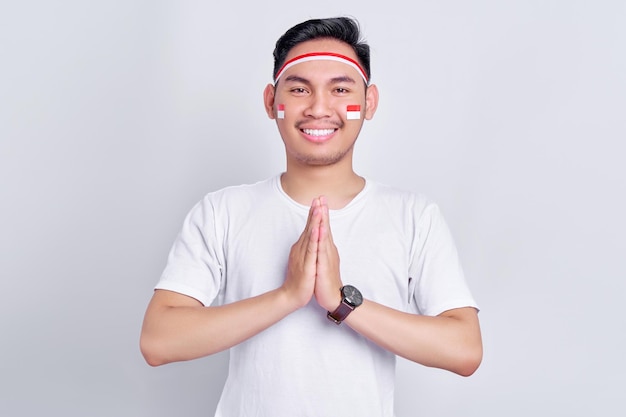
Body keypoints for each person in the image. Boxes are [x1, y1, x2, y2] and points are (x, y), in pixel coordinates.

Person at [140, 16, 482, 416]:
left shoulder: (414, 216)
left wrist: (342, 302)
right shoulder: (222, 211)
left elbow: (464, 350)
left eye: (340, 89)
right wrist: (287, 296)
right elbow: (158, 341)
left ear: (369, 103)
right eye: (300, 89)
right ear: (271, 102)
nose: (319, 107)